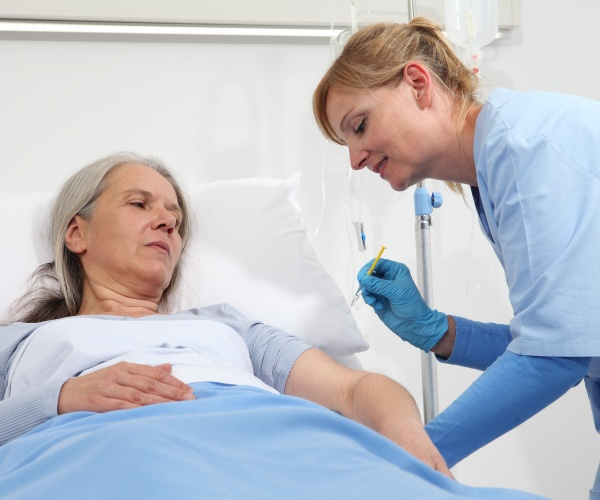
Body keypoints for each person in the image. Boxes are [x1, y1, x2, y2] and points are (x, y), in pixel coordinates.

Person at [0, 151, 546, 499]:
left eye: (175, 217)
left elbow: (357, 389)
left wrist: (409, 439)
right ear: (77, 233)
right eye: (139, 204)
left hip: (275, 438)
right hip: (117, 446)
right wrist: (64, 398)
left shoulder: (225, 327)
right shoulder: (23, 341)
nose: (166, 220)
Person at [312, 16, 600, 497]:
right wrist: (437, 330)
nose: (355, 159)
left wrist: (410, 454)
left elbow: (557, 356)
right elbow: (566, 340)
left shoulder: (525, 148)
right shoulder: (497, 166)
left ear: (418, 84)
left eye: (360, 126)